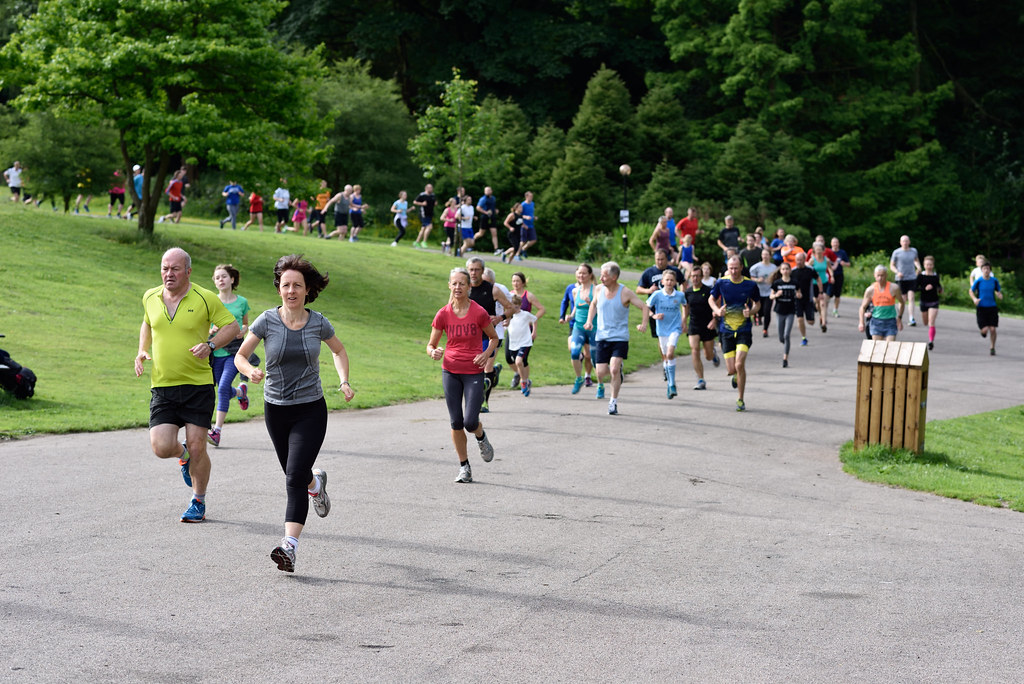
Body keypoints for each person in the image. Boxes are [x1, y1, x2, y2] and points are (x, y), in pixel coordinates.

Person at [232, 255, 353, 572]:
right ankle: (316, 484)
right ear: (279, 289)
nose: (291, 290)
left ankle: (289, 546)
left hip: (311, 409)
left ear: (307, 289)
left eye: (297, 285)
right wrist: (250, 372)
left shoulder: (318, 322)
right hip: (276, 409)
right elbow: (241, 356)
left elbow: (338, 350)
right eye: (285, 285)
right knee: (298, 475)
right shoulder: (266, 321)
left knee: (291, 478)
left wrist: (344, 380)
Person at [134, 248, 240, 523]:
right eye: (165, 268)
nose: (169, 274)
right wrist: (141, 351)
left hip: (198, 386)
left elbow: (232, 325)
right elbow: (147, 323)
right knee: (160, 446)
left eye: (175, 269)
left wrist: (211, 344)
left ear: (188, 271)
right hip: (163, 386)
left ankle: (198, 500)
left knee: (198, 447)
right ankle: (182, 457)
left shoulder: (205, 298)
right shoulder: (150, 296)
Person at [427, 267, 498, 484]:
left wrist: (486, 355)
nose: (458, 287)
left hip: (473, 372)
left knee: (469, 421)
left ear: (469, 287)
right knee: (456, 421)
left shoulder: (478, 312)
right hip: (450, 371)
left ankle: (480, 435)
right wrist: (434, 352)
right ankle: (464, 466)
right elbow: (431, 345)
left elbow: (494, 339)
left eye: (462, 284)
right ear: (449, 285)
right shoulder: (443, 314)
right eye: (454, 283)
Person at [584, 261, 650, 415]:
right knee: (600, 372)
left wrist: (644, 324)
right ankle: (616, 374)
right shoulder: (598, 290)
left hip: (619, 337)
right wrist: (589, 321)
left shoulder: (625, 292)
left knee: (613, 369)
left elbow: (644, 307)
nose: (600, 278)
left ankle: (613, 402)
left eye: (604, 276)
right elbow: (593, 304)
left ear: (614, 277)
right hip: (602, 337)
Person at [709, 255, 761, 412]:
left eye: (736, 268)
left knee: (740, 364)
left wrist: (750, 312)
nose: (733, 271)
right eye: (730, 268)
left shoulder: (750, 284)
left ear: (741, 268)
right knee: (732, 369)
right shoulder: (721, 283)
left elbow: (758, 304)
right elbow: (711, 299)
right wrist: (717, 311)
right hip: (726, 331)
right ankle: (734, 375)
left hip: (744, 329)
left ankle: (740, 399)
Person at [207, 264, 251, 447]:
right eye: (217, 278)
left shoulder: (242, 302)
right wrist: (212, 329)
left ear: (232, 279)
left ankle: (217, 431)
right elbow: (205, 327)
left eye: (224, 276)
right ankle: (241, 392)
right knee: (222, 389)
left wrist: (243, 330)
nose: (221, 280)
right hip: (216, 352)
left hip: (234, 353)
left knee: (223, 387)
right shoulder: (211, 301)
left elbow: (246, 324)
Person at [465, 258, 513, 410]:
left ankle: (481, 400)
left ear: (482, 271)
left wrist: (500, 318)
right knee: (469, 369)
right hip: (467, 337)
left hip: (487, 336)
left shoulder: (493, 289)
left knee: (482, 366)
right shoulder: (463, 288)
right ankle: (482, 387)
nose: (473, 273)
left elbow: (510, 308)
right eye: (471, 269)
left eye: (477, 269)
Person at [645, 269, 687, 399]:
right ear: (662, 282)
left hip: (675, 328)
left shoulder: (679, 295)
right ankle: (669, 384)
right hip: (662, 330)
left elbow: (685, 306)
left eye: (672, 280)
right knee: (665, 357)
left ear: (675, 282)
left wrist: (684, 321)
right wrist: (654, 315)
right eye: (667, 280)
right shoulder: (657, 295)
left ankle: (672, 383)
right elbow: (646, 307)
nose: (669, 282)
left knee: (669, 354)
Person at [636, 249, 684, 349]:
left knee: (671, 339)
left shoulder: (674, 271)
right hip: (655, 308)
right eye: (658, 259)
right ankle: (665, 361)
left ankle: (668, 360)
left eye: (662, 259)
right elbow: (638, 289)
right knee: (660, 338)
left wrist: (682, 293)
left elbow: (683, 282)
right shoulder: (649, 272)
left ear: (667, 259)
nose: (660, 262)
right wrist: (649, 291)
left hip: (671, 308)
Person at [682, 269, 719, 390]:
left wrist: (714, 320)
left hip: (708, 325)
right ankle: (700, 379)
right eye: (693, 276)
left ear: (702, 277)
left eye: (698, 276)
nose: (695, 279)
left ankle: (713, 355)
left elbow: (716, 307)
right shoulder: (688, 292)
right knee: (694, 350)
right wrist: (683, 322)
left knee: (707, 356)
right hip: (694, 325)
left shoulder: (709, 291)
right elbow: (686, 309)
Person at [564, 263, 598, 393]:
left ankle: (600, 383)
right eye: (579, 273)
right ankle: (579, 378)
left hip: (593, 328)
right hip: (579, 326)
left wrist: (591, 303)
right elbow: (576, 309)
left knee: (595, 358)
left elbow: (601, 309)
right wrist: (570, 316)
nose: (581, 275)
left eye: (584, 273)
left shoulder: (596, 290)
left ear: (590, 275)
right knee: (574, 352)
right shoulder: (575, 290)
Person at [858, 265, 905, 341]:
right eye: (878, 275)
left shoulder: (894, 288)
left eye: (882, 275)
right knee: (878, 347)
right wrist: (861, 322)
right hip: (876, 322)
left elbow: (902, 302)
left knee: (890, 346)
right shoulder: (870, 290)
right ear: (874, 276)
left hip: (890, 322)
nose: (880, 278)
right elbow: (862, 307)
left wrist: (899, 318)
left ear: (886, 275)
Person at [506, 295, 538, 397]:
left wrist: (534, 332)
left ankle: (523, 382)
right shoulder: (508, 317)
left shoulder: (525, 314)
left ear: (520, 306)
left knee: (518, 361)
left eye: (516, 306)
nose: (514, 309)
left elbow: (535, 319)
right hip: (513, 344)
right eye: (512, 307)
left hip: (525, 342)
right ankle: (526, 381)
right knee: (520, 364)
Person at [970, 261, 1002, 356]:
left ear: (990, 270)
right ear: (981, 270)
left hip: (992, 307)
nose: (986, 270)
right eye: (984, 269)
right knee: (984, 330)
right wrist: (974, 299)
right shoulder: (979, 281)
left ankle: (992, 347)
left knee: (992, 329)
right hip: (981, 308)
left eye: (988, 269)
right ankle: (983, 332)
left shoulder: (994, 281)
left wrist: (1000, 295)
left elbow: (998, 291)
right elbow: (971, 291)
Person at [790, 251, 822, 346]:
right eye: (797, 260)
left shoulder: (810, 269)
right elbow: (790, 284)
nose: (799, 262)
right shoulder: (793, 271)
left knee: (811, 322)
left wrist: (820, 292)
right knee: (800, 319)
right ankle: (804, 338)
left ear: (804, 260)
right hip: (797, 299)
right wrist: (796, 292)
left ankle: (815, 312)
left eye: (800, 260)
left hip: (808, 299)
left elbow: (818, 279)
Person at [769, 263, 798, 367]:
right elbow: (771, 296)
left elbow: (799, 293)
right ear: (780, 271)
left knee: (786, 335)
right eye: (783, 269)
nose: (785, 271)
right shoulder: (777, 283)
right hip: (780, 311)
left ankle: (785, 358)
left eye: (787, 269)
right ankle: (784, 342)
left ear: (790, 270)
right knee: (781, 336)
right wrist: (776, 295)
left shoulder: (794, 282)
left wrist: (799, 295)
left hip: (790, 311)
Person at [890, 235, 922, 326]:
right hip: (901, 278)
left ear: (909, 242)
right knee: (902, 299)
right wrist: (897, 272)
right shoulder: (896, 252)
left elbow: (916, 260)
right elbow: (892, 265)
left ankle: (911, 318)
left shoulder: (913, 251)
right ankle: (899, 317)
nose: (905, 243)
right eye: (903, 241)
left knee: (911, 297)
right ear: (900, 242)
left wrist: (918, 267)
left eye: (907, 241)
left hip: (912, 277)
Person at [749, 249, 778, 338]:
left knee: (767, 311)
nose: (765, 256)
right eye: (763, 254)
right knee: (760, 311)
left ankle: (765, 329)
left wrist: (773, 282)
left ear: (770, 256)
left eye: (766, 254)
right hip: (758, 292)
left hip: (769, 292)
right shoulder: (755, 267)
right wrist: (758, 280)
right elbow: (751, 278)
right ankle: (757, 316)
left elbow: (776, 279)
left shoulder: (774, 267)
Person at [917, 255, 942, 350]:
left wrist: (940, 289)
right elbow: (915, 288)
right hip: (924, 301)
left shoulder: (936, 276)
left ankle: (931, 341)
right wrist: (924, 288)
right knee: (925, 322)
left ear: (933, 265)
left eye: (930, 264)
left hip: (934, 302)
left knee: (931, 322)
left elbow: (938, 286)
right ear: (924, 265)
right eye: (927, 264)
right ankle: (930, 335)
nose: (929, 266)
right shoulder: (921, 276)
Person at [806, 242, 832, 331]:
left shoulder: (826, 260)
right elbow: (807, 269)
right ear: (814, 251)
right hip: (814, 283)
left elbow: (830, 268)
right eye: (816, 250)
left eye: (820, 250)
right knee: (817, 303)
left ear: (823, 251)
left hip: (824, 282)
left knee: (823, 302)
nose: (818, 252)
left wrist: (832, 276)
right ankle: (821, 316)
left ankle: (824, 323)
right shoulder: (812, 260)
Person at [828, 237, 850, 317]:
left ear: (839, 244)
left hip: (839, 275)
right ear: (831, 244)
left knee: (837, 294)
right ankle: (824, 308)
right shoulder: (828, 252)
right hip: (829, 275)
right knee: (828, 294)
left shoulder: (842, 253)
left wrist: (844, 263)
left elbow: (848, 264)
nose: (835, 244)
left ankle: (835, 310)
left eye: (836, 242)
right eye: (834, 242)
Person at [475, 186, 500, 254]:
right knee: (481, 233)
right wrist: (485, 212)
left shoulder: (493, 198)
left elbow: (492, 208)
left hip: (492, 217)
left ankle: (496, 249)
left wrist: (495, 210)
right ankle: (471, 241)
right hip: (485, 218)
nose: (487, 192)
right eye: (486, 191)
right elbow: (478, 207)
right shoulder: (483, 199)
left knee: (494, 233)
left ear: (491, 191)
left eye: (489, 190)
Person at [412, 183, 436, 249]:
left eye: (432, 188)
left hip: (430, 214)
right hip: (423, 214)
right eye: (430, 188)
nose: (431, 189)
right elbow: (414, 202)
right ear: (426, 188)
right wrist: (422, 203)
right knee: (430, 227)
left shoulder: (433, 195)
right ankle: (424, 242)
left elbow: (434, 202)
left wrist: (435, 203)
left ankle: (417, 242)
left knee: (423, 229)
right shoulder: (422, 195)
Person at [515, 191, 537, 260]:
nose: (531, 197)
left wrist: (534, 217)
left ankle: (523, 249)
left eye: (532, 196)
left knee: (534, 240)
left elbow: (531, 213)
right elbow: (519, 215)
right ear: (526, 197)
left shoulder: (532, 204)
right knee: (523, 241)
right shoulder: (523, 205)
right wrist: (526, 217)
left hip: (531, 225)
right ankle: (517, 254)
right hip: (524, 225)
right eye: (530, 196)